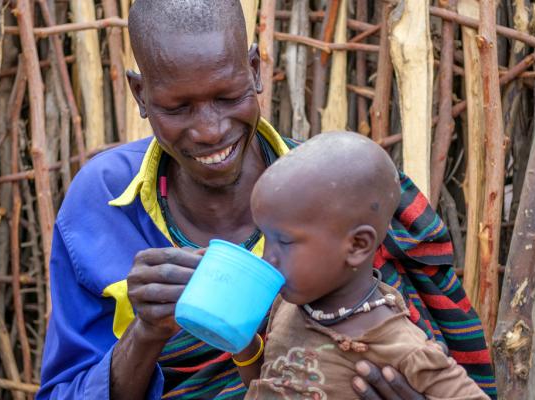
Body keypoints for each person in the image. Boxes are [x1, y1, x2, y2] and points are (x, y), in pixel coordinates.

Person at [37, 1, 496, 399]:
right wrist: (146, 334)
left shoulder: (345, 194)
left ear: (255, 70)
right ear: (140, 93)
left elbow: (440, 359)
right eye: (178, 108)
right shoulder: (102, 205)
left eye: (228, 96)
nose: (210, 129)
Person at [233, 132, 488, 400]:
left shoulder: (399, 345)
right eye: (265, 237)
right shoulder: (286, 307)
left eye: (283, 242)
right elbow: (268, 384)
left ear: (357, 245)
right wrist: (245, 348)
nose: (267, 258)